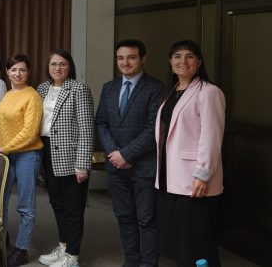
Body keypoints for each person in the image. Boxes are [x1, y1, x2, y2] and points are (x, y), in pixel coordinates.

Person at [156, 40, 225, 266]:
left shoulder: (209, 92)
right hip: (170, 176)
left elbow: (211, 136)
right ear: (170, 62)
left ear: (199, 62)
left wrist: (203, 174)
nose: (182, 61)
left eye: (189, 56)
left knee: (198, 241)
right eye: (177, 56)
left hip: (194, 178)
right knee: (181, 241)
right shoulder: (172, 91)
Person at [96, 39, 163, 267]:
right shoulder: (109, 88)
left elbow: (153, 128)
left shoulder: (156, 88)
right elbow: (101, 123)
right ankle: (131, 261)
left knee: (147, 219)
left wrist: (126, 155)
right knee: (124, 216)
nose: (125, 62)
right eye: (120, 58)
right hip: (116, 166)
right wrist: (114, 153)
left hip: (144, 166)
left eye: (131, 57)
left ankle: (148, 263)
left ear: (143, 59)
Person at [36, 50, 94, 267]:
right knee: (57, 203)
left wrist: (82, 164)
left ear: (70, 67)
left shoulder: (79, 89)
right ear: (48, 67)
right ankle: (63, 245)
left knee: (73, 207)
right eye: (53, 64)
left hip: (71, 156)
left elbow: (87, 129)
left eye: (62, 64)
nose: (57, 68)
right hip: (47, 151)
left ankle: (72, 256)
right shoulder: (42, 88)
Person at [0, 54, 43, 266]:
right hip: (6, 155)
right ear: (7, 72)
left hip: (27, 155)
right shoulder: (8, 94)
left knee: (25, 205)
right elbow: (1, 129)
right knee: (0, 202)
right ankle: (2, 243)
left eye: (22, 69)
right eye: (13, 70)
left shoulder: (32, 96)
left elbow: (30, 132)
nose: (17, 74)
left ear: (28, 72)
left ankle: (22, 249)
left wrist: (5, 147)